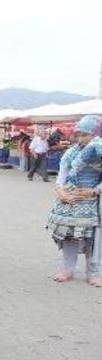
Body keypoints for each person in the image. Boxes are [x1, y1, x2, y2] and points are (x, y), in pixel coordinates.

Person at [48, 116, 102, 287]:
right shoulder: (71, 152)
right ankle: (67, 269)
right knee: (69, 236)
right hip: (70, 201)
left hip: (93, 201)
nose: (80, 139)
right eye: (78, 135)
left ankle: (93, 273)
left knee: (94, 239)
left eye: (85, 135)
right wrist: (61, 192)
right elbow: (62, 174)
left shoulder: (99, 151)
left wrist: (93, 191)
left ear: (96, 134)